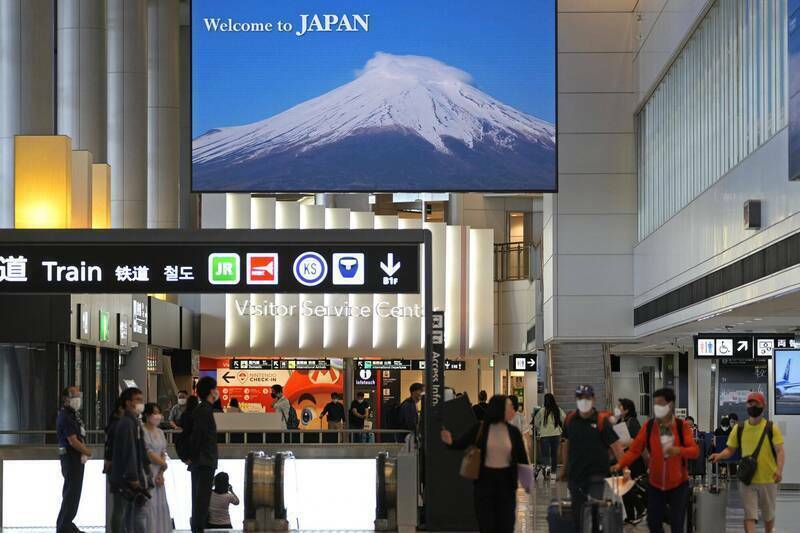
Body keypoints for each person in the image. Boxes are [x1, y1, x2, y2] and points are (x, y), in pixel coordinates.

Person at [613, 388, 699, 533]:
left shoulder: (681, 426)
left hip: (678, 484)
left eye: (660, 403)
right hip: (655, 484)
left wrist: (678, 450)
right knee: (653, 523)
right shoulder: (649, 426)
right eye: (655, 404)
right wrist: (620, 464)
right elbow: (635, 449)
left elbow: (695, 451)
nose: (656, 407)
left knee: (676, 523)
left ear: (670, 404)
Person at [441, 395, 529, 533]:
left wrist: (527, 484)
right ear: (499, 409)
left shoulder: (513, 432)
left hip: (506, 484)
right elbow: (462, 443)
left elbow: (522, 459)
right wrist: (450, 442)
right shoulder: (481, 428)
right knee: (487, 525)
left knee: (506, 525)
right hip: (485, 483)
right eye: (510, 407)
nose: (513, 410)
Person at [711, 392, 785, 533]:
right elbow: (730, 450)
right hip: (747, 479)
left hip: (768, 479)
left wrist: (779, 470)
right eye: (750, 403)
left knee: (768, 515)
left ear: (763, 406)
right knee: (750, 515)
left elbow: (780, 451)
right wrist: (719, 455)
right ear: (746, 405)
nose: (753, 406)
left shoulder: (771, 428)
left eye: (756, 403)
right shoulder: (740, 429)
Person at [560, 384, 624, 531]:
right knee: (578, 514)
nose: (584, 401)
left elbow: (616, 446)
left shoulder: (602, 422)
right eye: (580, 398)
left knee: (594, 513)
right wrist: (564, 468)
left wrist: (623, 467)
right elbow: (566, 444)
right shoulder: (570, 420)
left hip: (596, 475)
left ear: (593, 399)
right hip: (576, 475)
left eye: (587, 398)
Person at [110, 387, 148, 533]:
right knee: (122, 510)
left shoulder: (133, 422)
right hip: (124, 477)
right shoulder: (127, 423)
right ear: (127, 403)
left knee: (127, 512)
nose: (140, 403)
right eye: (137, 400)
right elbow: (129, 451)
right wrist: (133, 476)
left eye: (141, 400)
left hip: (126, 475)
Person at [56, 386, 92, 533]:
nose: (78, 398)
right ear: (66, 398)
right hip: (70, 458)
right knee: (71, 492)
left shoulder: (73, 415)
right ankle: (64, 526)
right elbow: (72, 440)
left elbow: (79, 436)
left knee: (74, 492)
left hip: (75, 458)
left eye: (79, 394)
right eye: (74, 395)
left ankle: (68, 523)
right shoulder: (65, 416)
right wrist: (87, 452)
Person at [190, 377, 220, 533]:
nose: (217, 391)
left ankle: (198, 527)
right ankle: (197, 529)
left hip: (202, 461)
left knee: (200, 500)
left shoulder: (203, 409)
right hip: (204, 461)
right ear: (211, 391)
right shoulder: (205, 410)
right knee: (201, 501)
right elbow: (199, 436)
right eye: (215, 388)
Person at [142, 403, 171, 533]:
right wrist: (162, 463)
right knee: (149, 504)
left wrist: (161, 472)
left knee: (159, 504)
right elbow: (147, 452)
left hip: (158, 473)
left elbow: (163, 451)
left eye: (159, 413)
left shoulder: (159, 432)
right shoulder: (142, 431)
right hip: (147, 471)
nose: (158, 416)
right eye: (155, 413)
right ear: (147, 415)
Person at [104, 396, 126, 533]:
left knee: (119, 506)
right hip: (119, 468)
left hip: (114, 468)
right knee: (120, 506)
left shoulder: (114, 424)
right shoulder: (119, 425)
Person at [534, 393, 565, 480]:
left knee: (545, 455)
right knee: (554, 455)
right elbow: (564, 418)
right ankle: (553, 474)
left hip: (545, 435)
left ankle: (546, 472)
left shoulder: (542, 410)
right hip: (556, 434)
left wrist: (540, 430)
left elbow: (536, 422)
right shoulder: (557, 409)